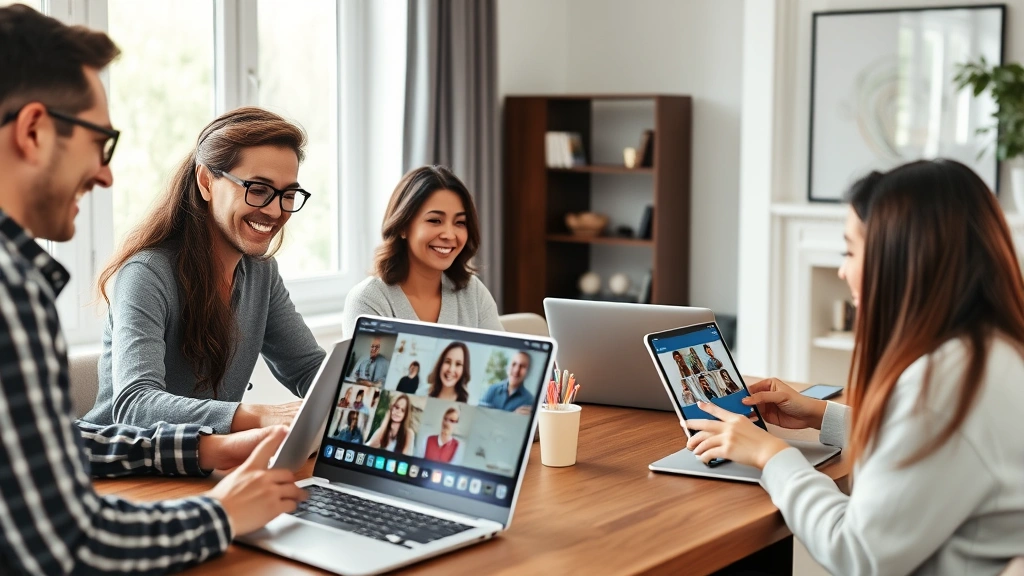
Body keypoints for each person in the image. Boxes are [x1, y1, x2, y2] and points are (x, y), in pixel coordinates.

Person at [0, 7, 306, 572]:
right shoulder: (25, 291)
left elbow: (64, 444)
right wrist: (223, 504)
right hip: (140, 497)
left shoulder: (260, 273)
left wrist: (209, 447)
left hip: (180, 478)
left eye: (288, 194)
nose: (106, 174)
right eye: (100, 142)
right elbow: (71, 539)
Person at [686, 159, 1024, 575]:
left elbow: (856, 553)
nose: (843, 270)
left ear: (902, 259)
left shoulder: (943, 388)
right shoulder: (991, 352)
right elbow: (937, 452)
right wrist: (824, 416)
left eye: (849, 251)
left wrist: (771, 455)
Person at [83, 105, 325, 433]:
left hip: (206, 458)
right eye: (258, 190)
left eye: (288, 194)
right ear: (206, 182)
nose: (274, 210)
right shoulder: (146, 274)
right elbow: (135, 405)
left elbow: (309, 370)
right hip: (119, 460)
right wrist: (261, 415)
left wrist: (376, 397)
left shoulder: (261, 274)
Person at [341, 165, 503, 338]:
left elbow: (501, 354)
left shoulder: (473, 291)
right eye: (435, 220)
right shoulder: (369, 300)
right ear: (403, 227)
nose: (450, 235)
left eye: (460, 223)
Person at [479, 350, 535, 415]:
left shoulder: (530, 401)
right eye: (514, 364)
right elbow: (480, 414)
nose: (516, 370)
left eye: (522, 366)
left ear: (528, 372)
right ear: (508, 367)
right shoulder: (492, 389)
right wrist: (512, 416)